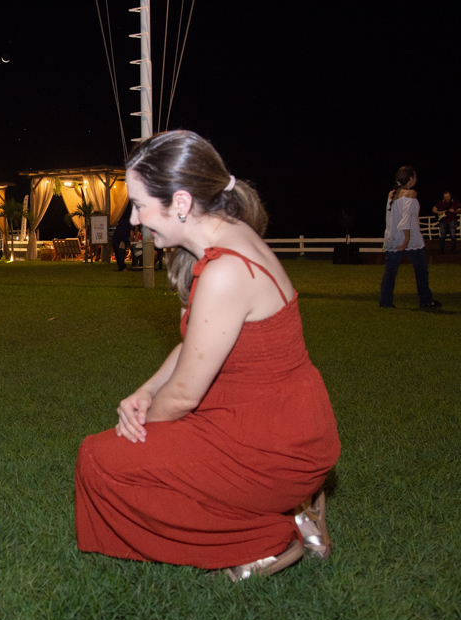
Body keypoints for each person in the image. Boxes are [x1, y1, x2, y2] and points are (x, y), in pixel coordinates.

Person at [75, 130, 341, 581]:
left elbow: (182, 397)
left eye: (139, 204)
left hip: (272, 443)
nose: (136, 219)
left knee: (100, 461)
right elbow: (193, 345)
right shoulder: (230, 236)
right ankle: (295, 510)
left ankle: (270, 539)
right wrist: (144, 391)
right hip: (280, 423)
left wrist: (142, 431)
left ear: (180, 202)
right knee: (123, 451)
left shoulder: (224, 271)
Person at [379, 167, 441, 308]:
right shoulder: (410, 195)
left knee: (390, 272)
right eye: (415, 176)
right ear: (410, 178)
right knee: (421, 270)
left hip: (393, 238)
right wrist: (406, 239)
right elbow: (406, 220)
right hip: (409, 239)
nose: (416, 179)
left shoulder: (391, 194)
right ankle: (425, 301)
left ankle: (385, 302)